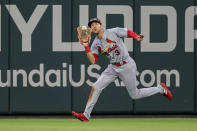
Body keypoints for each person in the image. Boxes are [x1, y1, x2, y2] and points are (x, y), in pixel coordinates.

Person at [72, 18, 172, 122]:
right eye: (91, 25)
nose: (94, 26)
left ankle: (160, 89)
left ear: (101, 25)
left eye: (96, 23)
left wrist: (136, 36)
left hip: (126, 65)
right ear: (91, 30)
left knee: (135, 95)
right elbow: (93, 61)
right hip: (113, 67)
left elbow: (127, 32)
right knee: (95, 87)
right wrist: (86, 47)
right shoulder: (96, 44)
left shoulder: (113, 31)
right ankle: (86, 115)